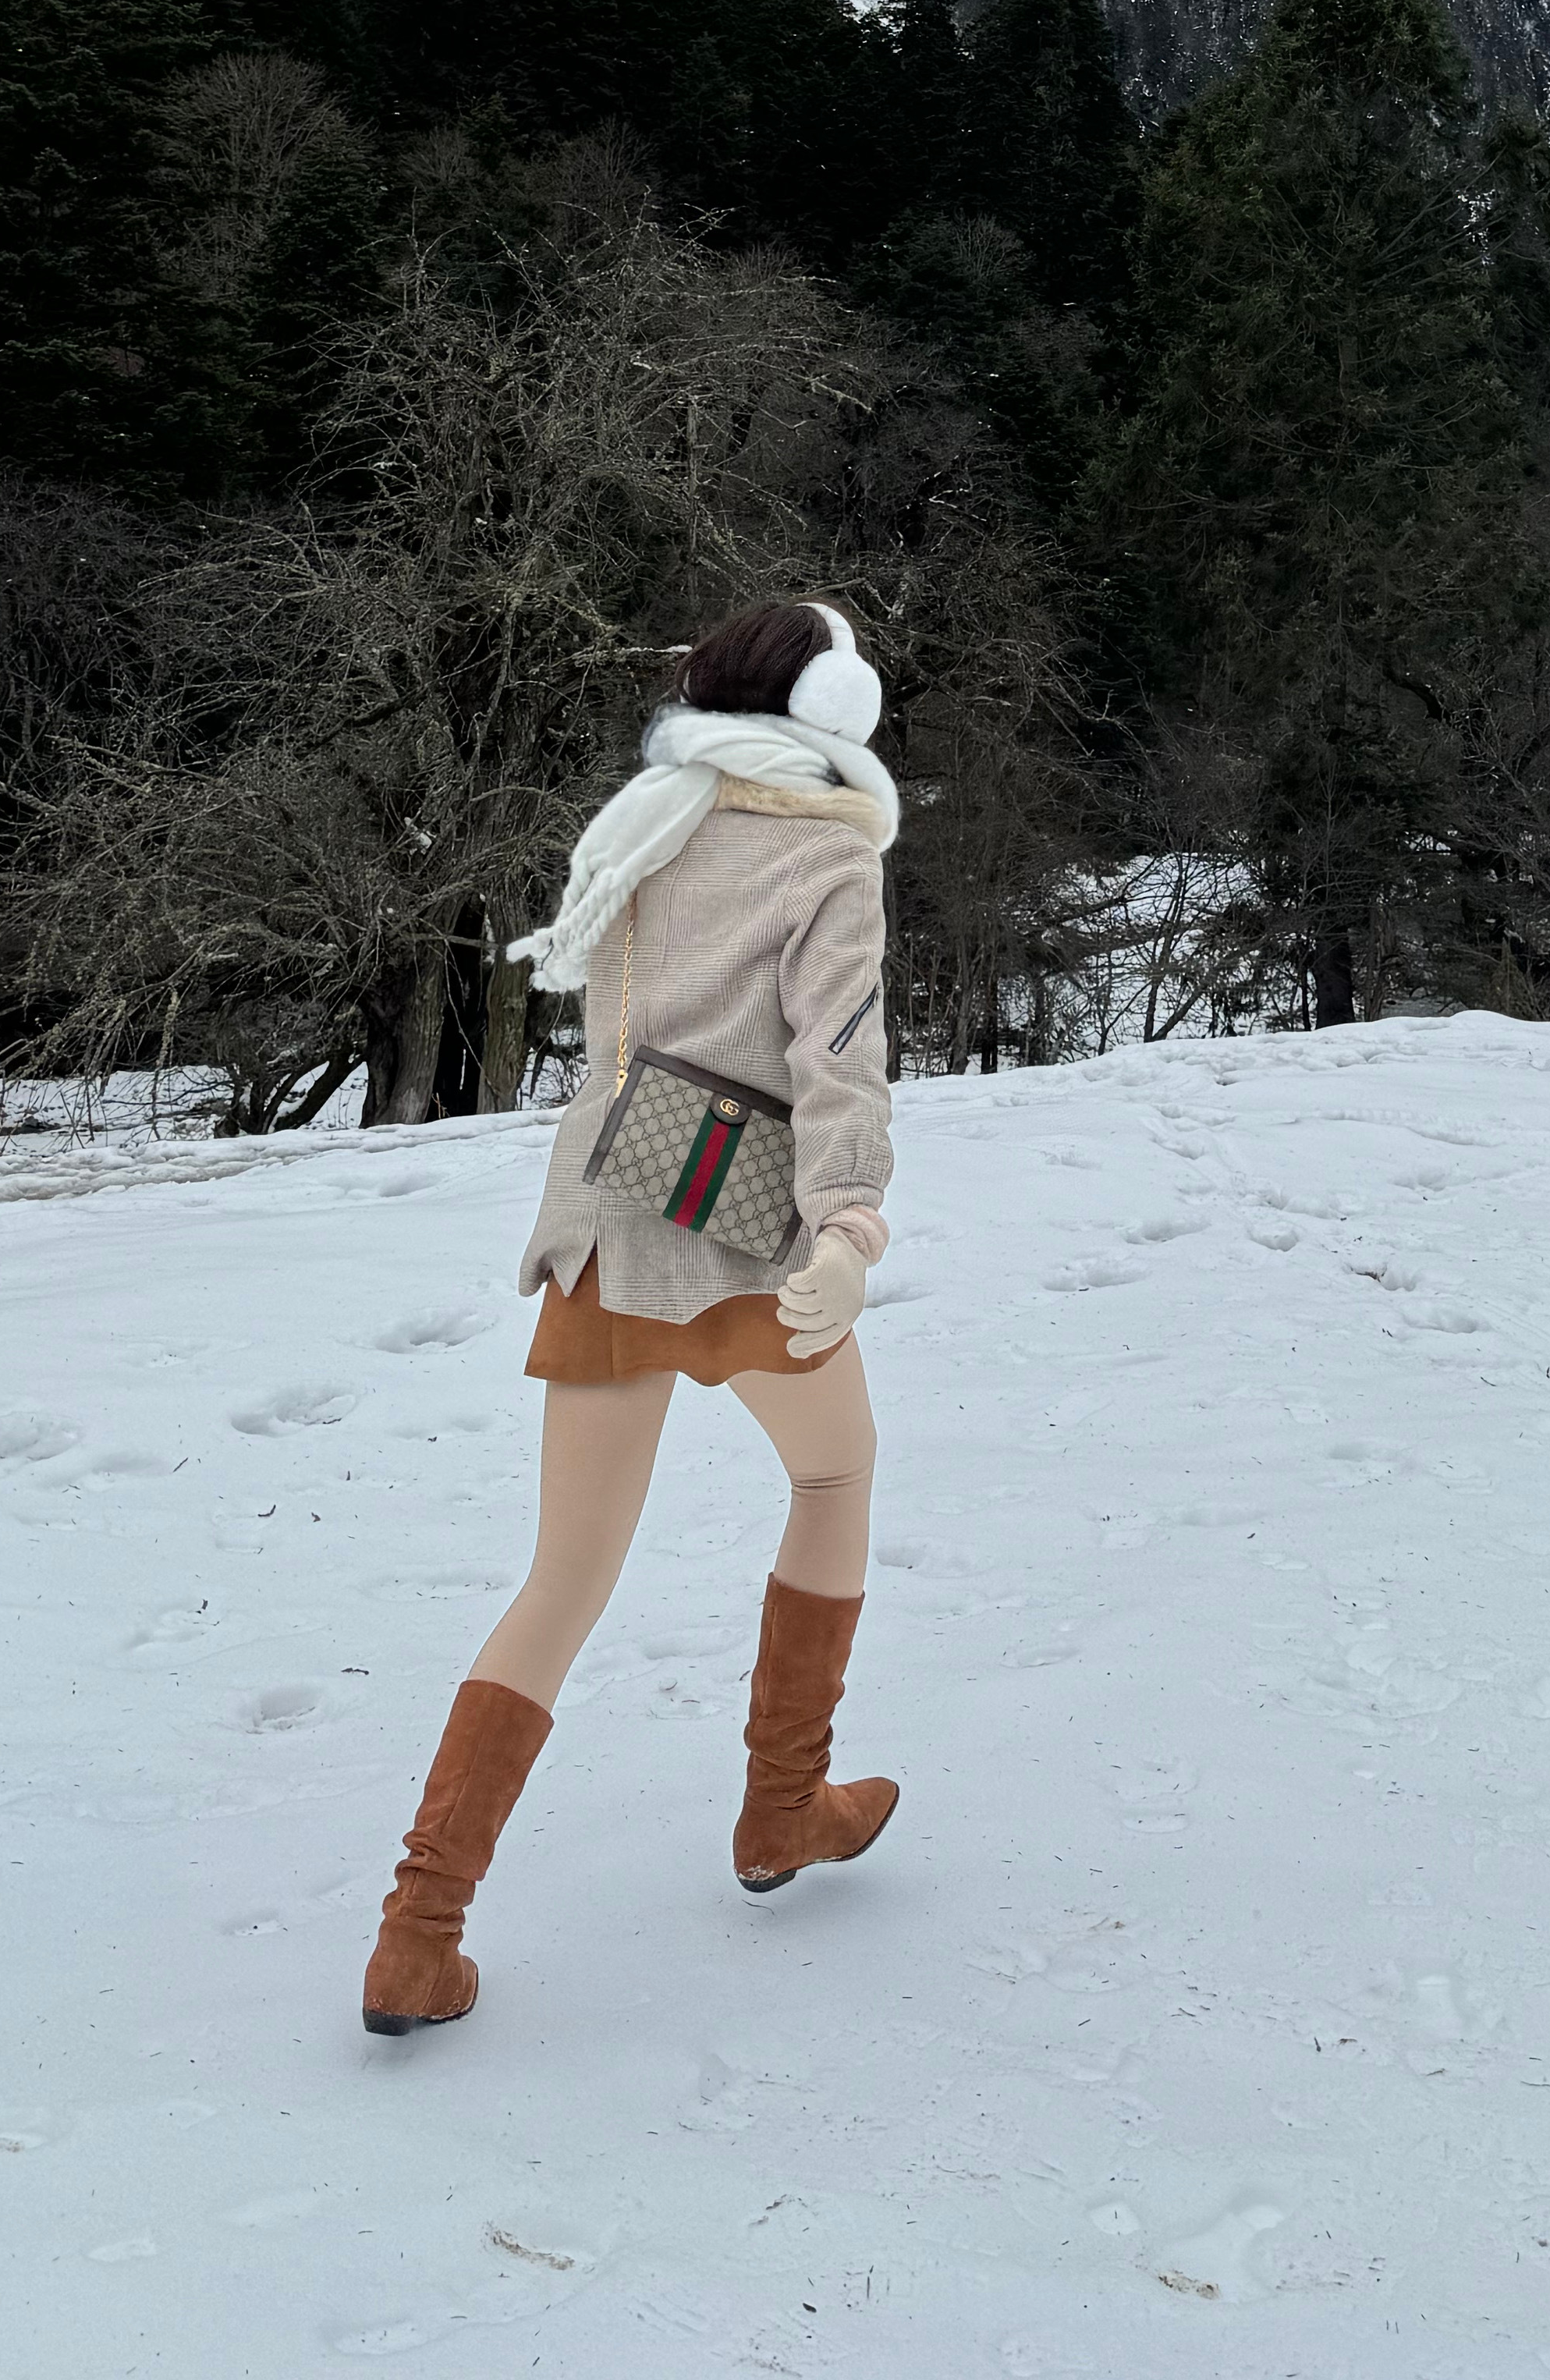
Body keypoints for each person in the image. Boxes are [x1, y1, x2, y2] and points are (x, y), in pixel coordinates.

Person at [358, 598, 902, 2038]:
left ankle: (420, 1932)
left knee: (563, 1579)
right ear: (834, 715)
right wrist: (848, 1227)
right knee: (836, 1473)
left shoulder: (645, 820)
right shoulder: (828, 851)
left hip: (611, 1215)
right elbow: (839, 1058)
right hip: (745, 1237)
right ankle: (783, 1805)